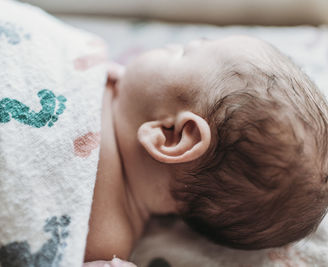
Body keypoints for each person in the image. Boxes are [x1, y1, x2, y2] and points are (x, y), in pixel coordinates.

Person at [84, 36, 328, 266]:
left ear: (171, 135)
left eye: (182, 53)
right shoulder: (94, 69)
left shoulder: (103, 245)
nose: (170, 45)